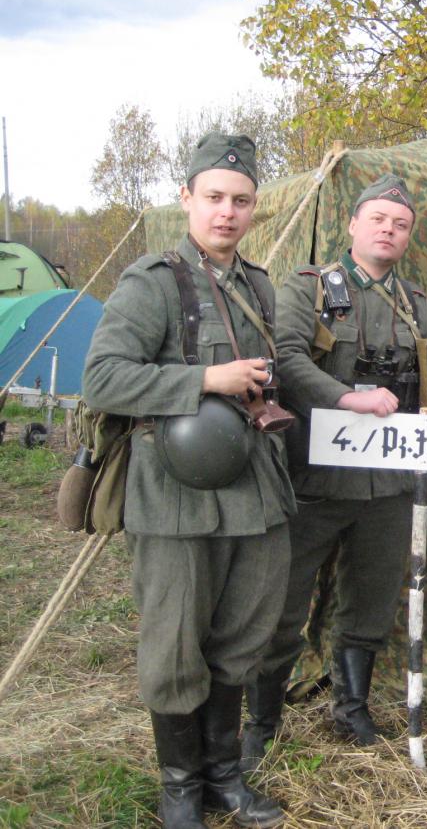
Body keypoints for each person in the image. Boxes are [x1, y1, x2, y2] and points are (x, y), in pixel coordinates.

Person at [83, 133, 293, 828]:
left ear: (254, 207)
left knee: (242, 636)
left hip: (253, 491)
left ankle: (223, 777)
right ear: (186, 198)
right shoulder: (154, 281)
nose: (227, 212)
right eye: (214, 197)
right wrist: (206, 378)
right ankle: (179, 787)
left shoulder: (258, 283)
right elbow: (102, 378)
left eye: (241, 201)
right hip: (175, 496)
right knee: (175, 644)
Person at [240, 175, 427, 767]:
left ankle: (352, 709)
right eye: (377, 219)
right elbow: (286, 359)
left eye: (400, 224)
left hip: (388, 481)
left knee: (371, 600)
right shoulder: (310, 287)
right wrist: (346, 398)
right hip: (315, 477)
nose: (388, 230)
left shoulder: (417, 302)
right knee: (283, 602)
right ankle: (261, 723)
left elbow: (426, 384)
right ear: (352, 225)